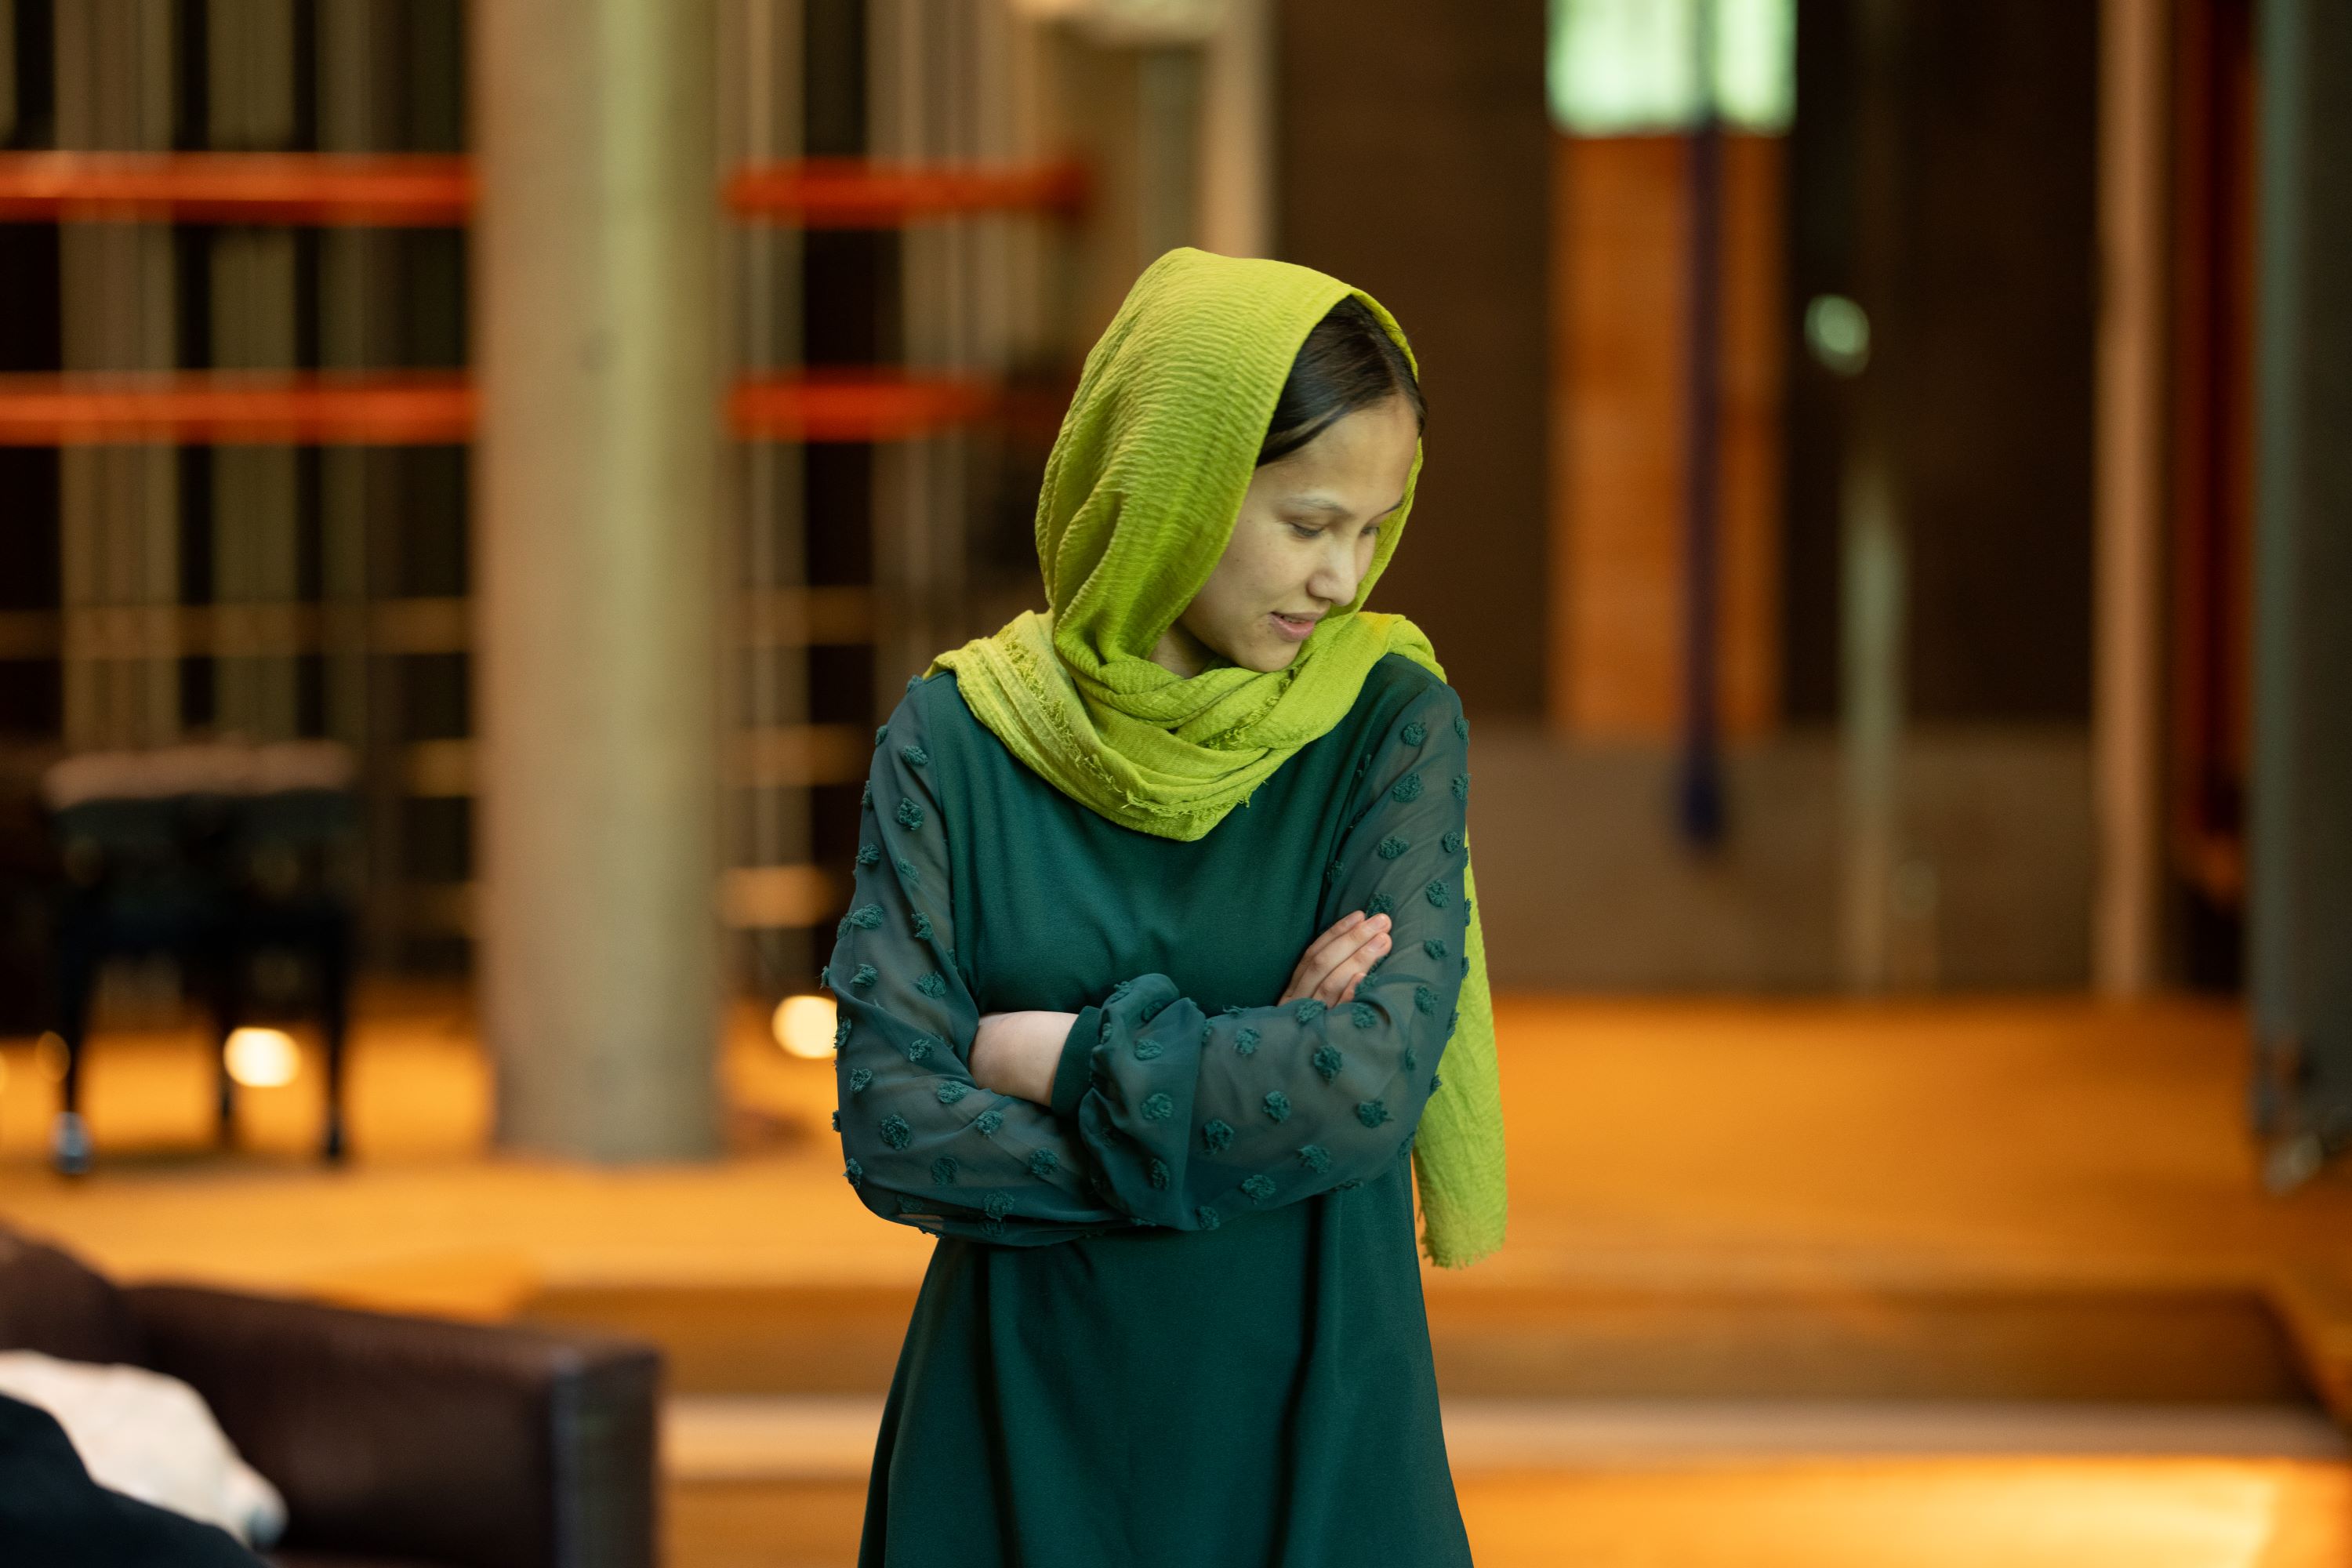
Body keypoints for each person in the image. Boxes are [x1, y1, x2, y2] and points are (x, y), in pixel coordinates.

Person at [829, 246, 1508, 1567]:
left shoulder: (1387, 723)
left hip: (1314, 1421)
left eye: (1373, 530)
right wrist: (1253, 1084)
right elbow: (896, 1125)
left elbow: (1366, 1091)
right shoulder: (956, 738)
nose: (1343, 578)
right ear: (1177, 484)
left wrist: (1060, 1058)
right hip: (1017, 1422)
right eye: (1308, 525)